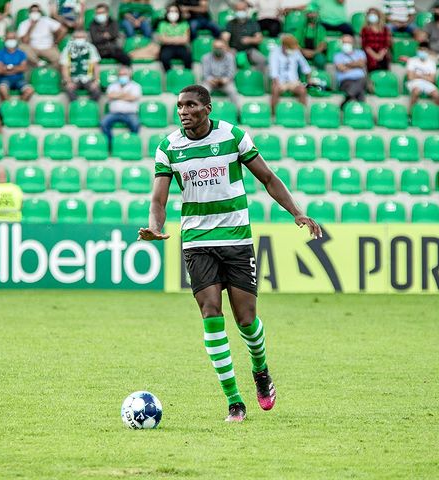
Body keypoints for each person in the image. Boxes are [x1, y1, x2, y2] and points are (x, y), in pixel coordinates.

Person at [138, 85, 321, 422]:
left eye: (190, 105)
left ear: (207, 108)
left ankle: (260, 371)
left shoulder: (233, 136)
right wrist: (155, 226)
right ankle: (234, 401)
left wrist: (296, 211)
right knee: (210, 312)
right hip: (197, 242)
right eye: (179, 106)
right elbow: (158, 200)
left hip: (236, 239)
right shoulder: (169, 147)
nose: (183, 111)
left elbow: (267, 177)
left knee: (247, 321)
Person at [269, 35, 312, 113]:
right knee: (275, 90)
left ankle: (302, 114)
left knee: (303, 90)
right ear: (284, 46)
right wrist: (277, 83)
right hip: (280, 81)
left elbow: (305, 67)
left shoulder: (296, 52)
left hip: (293, 82)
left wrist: (309, 79)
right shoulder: (274, 53)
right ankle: (274, 115)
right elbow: (273, 70)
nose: (293, 50)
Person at [101, 66, 142, 145]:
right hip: (114, 113)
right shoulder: (112, 86)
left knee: (136, 124)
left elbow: (132, 97)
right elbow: (110, 95)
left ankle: (131, 143)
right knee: (103, 123)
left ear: (129, 75)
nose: (122, 76)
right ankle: (111, 143)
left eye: (124, 74)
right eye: (120, 74)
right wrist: (125, 94)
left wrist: (117, 95)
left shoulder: (136, 86)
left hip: (130, 113)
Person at [222, 1, 266, 70]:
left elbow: (259, 39)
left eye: (243, 10)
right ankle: (233, 78)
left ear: (246, 10)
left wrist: (250, 40)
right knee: (228, 58)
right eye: (239, 10)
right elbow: (225, 38)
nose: (241, 12)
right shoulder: (231, 23)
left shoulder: (252, 23)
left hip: (249, 50)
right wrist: (228, 48)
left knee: (262, 60)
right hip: (234, 49)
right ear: (235, 10)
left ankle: (255, 77)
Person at [60, 30, 101, 101]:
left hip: (88, 78)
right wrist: (68, 82)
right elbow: (64, 67)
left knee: (97, 91)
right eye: (77, 37)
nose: (79, 39)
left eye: (82, 37)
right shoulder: (67, 49)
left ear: (86, 38)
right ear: (73, 38)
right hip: (73, 79)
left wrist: (96, 81)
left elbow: (96, 66)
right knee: (69, 91)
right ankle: (77, 109)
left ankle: (89, 107)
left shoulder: (91, 48)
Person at [0, 31, 34, 101]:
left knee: (30, 90)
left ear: (16, 40)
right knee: (2, 90)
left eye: (13, 38)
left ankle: (18, 109)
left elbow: (23, 68)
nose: (11, 40)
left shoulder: (21, 53)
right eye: (9, 38)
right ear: (5, 40)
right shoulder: (0, 53)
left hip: (19, 80)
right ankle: (9, 109)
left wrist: (7, 68)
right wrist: (16, 69)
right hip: (4, 79)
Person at [201, 39, 239, 105]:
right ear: (212, 48)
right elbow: (205, 74)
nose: (218, 49)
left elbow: (231, 72)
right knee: (203, 91)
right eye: (216, 47)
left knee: (233, 91)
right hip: (210, 82)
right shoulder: (205, 57)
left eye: (220, 47)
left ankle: (236, 112)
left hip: (225, 82)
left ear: (224, 47)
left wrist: (225, 80)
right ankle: (201, 113)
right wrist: (212, 80)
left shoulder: (230, 57)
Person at [156, 5, 193, 71]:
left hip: (181, 47)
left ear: (179, 13)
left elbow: (186, 39)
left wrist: (169, 38)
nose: (173, 13)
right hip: (167, 47)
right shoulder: (162, 24)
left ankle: (186, 75)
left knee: (188, 57)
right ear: (167, 13)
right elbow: (163, 39)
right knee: (164, 58)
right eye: (171, 11)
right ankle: (170, 76)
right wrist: (178, 38)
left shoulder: (184, 24)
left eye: (175, 11)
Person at [406, 42, 439, 111]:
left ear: (428, 51)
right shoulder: (412, 60)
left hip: (427, 83)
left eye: (424, 50)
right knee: (416, 91)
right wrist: (426, 76)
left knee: (437, 95)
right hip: (414, 82)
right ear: (417, 50)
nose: (422, 52)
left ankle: (435, 114)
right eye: (421, 50)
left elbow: (432, 79)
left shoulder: (432, 63)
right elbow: (410, 77)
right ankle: (410, 113)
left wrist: (418, 75)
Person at [334, 35, 367, 107]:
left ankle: (348, 98)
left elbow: (361, 64)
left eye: (349, 42)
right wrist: (356, 65)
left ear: (353, 43)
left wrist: (346, 65)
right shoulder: (337, 55)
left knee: (362, 81)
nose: (346, 44)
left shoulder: (360, 53)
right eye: (344, 42)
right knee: (360, 91)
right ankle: (361, 111)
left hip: (361, 80)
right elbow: (341, 68)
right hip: (345, 81)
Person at [361, 7, 392, 72]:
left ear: (378, 16)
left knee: (384, 66)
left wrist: (380, 55)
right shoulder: (364, 30)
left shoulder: (385, 29)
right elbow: (365, 45)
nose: (372, 16)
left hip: (382, 54)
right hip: (370, 55)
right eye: (370, 14)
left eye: (374, 14)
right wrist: (375, 56)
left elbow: (386, 44)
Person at [299, 4, 327, 69]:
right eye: (309, 13)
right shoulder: (301, 28)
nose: (312, 15)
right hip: (302, 52)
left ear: (317, 14)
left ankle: (320, 76)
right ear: (306, 15)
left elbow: (323, 44)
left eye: (314, 13)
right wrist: (303, 51)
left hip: (316, 53)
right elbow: (295, 43)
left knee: (320, 60)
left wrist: (314, 53)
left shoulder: (321, 29)